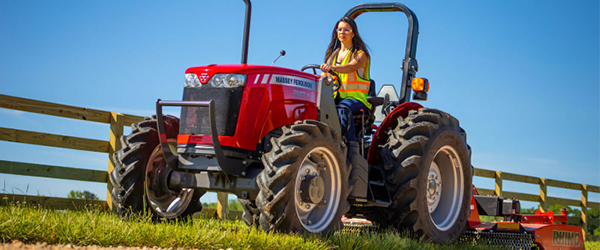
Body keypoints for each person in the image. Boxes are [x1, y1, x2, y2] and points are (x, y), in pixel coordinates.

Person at [320, 17, 371, 142]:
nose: (342, 32)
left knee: (343, 109)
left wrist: (332, 67)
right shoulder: (332, 55)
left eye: (346, 30)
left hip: (357, 100)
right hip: (335, 97)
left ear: (353, 33)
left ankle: (349, 147)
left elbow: (351, 67)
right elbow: (324, 76)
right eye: (340, 29)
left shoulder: (360, 54)